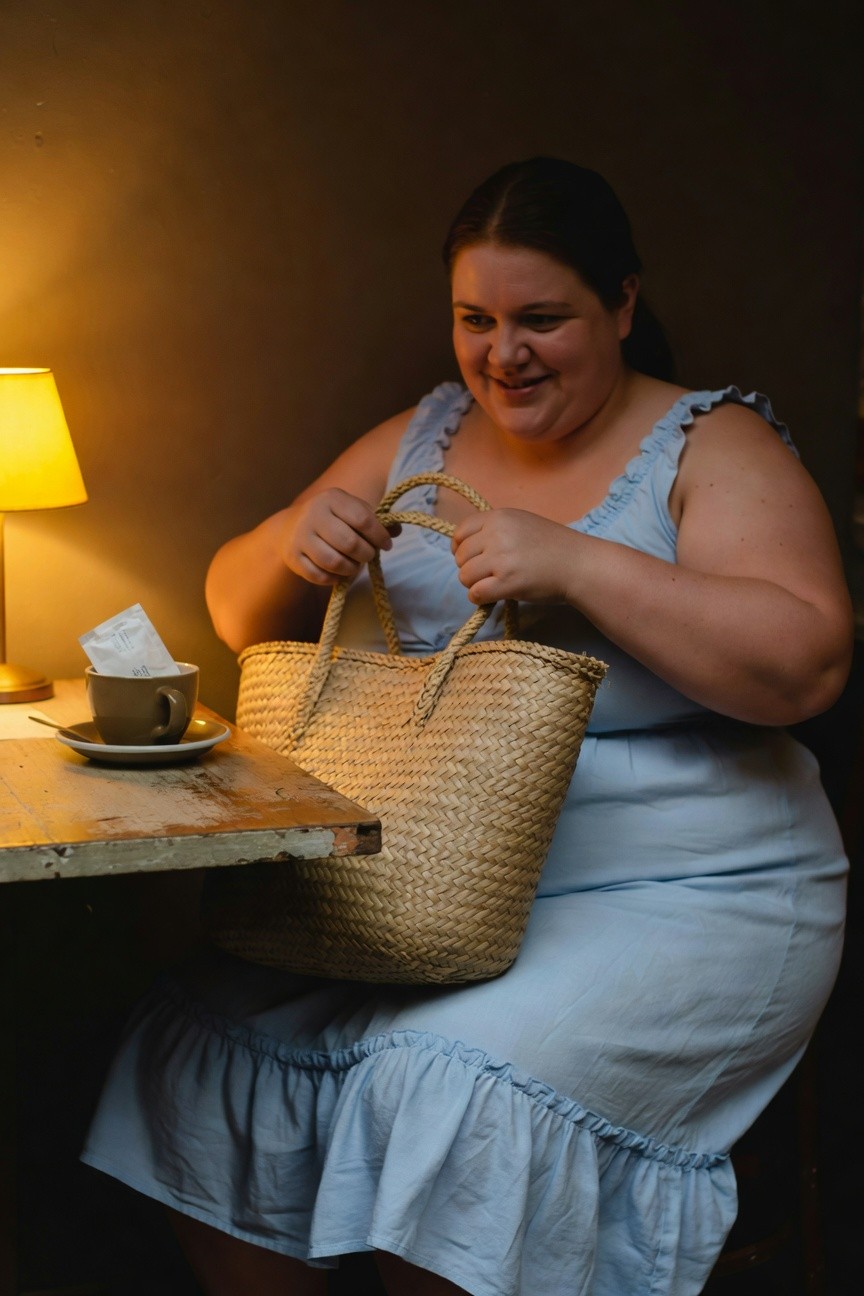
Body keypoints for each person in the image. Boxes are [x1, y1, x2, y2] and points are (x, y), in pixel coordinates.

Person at [82, 157, 852, 1296]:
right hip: (446, 886)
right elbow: (240, 612)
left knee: (443, 1083)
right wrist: (297, 532)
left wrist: (581, 562)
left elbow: (807, 663)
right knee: (198, 1039)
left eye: (542, 319)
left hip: (688, 890)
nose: (504, 354)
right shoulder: (425, 436)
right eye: (475, 319)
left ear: (624, 305)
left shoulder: (711, 443)